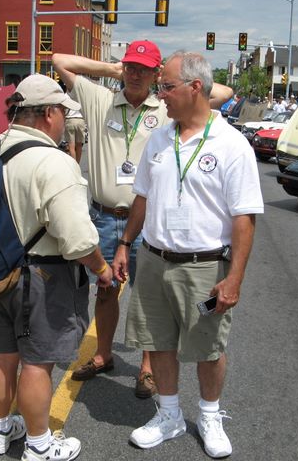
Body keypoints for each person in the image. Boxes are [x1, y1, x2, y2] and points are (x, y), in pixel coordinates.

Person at [52, 41, 233, 399]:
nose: (135, 75)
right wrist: (113, 69)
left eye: (144, 69)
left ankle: (148, 368)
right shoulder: (100, 99)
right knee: (106, 291)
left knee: (150, 298)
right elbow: (60, 61)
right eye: (130, 67)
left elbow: (223, 92)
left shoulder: (167, 105)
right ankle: (103, 354)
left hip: (148, 221)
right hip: (104, 217)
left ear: (156, 74)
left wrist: (166, 80)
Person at [111, 51, 263, 458]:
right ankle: (170, 414)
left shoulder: (231, 145)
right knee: (158, 341)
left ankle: (209, 415)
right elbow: (143, 196)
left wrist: (234, 279)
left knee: (208, 348)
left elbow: (244, 219)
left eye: (166, 86)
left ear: (195, 87)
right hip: (154, 259)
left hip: (204, 266)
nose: (159, 94)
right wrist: (125, 243)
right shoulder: (160, 138)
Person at [0, 74, 113, 459]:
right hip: (41, 276)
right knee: (37, 363)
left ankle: (0, 430)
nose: (65, 121)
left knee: (2, 352)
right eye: (63, 113)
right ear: (49, 113)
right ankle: (39, 444)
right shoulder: (54, 162)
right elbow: (78, 240)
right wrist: (102, 269)